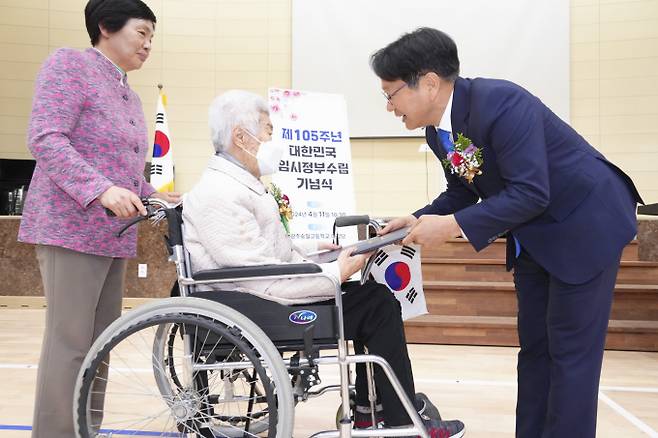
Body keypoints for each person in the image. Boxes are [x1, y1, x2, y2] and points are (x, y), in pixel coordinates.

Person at [370, 28, 643, 438]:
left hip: (585, 224)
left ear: (428, 83)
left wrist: (453, 227)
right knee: (535, 351)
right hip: (536, 236)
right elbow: (463, 189)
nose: (389, 107)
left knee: (570, 355)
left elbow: (531, 191)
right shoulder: (437, 131)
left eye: (391, 94)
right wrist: (418, 218)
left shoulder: (502, 102)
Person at [182, 89, 465, 437]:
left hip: (260, 297)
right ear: (241, 137)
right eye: (268, 130)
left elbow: (263, 250)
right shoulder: (219, 193)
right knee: (376, 304)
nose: (273, 138)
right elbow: (257, 276)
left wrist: (317, 250)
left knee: (372, 298)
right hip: (259, 307)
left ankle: (370, 410)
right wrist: (333, 273)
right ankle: (398, 421)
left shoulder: (237, 185)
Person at [17, 1, 180, 437]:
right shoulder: (70, 64)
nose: (148, 44)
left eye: (152, 37)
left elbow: (124, 169)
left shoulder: (127, 89)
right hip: (69, 228)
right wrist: (102, 191)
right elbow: (46, 137)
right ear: (107, 27)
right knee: (70, 343)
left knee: (100, 345)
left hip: (111, 235)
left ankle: (86, 429)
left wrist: (156, 196)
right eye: (142, 32)